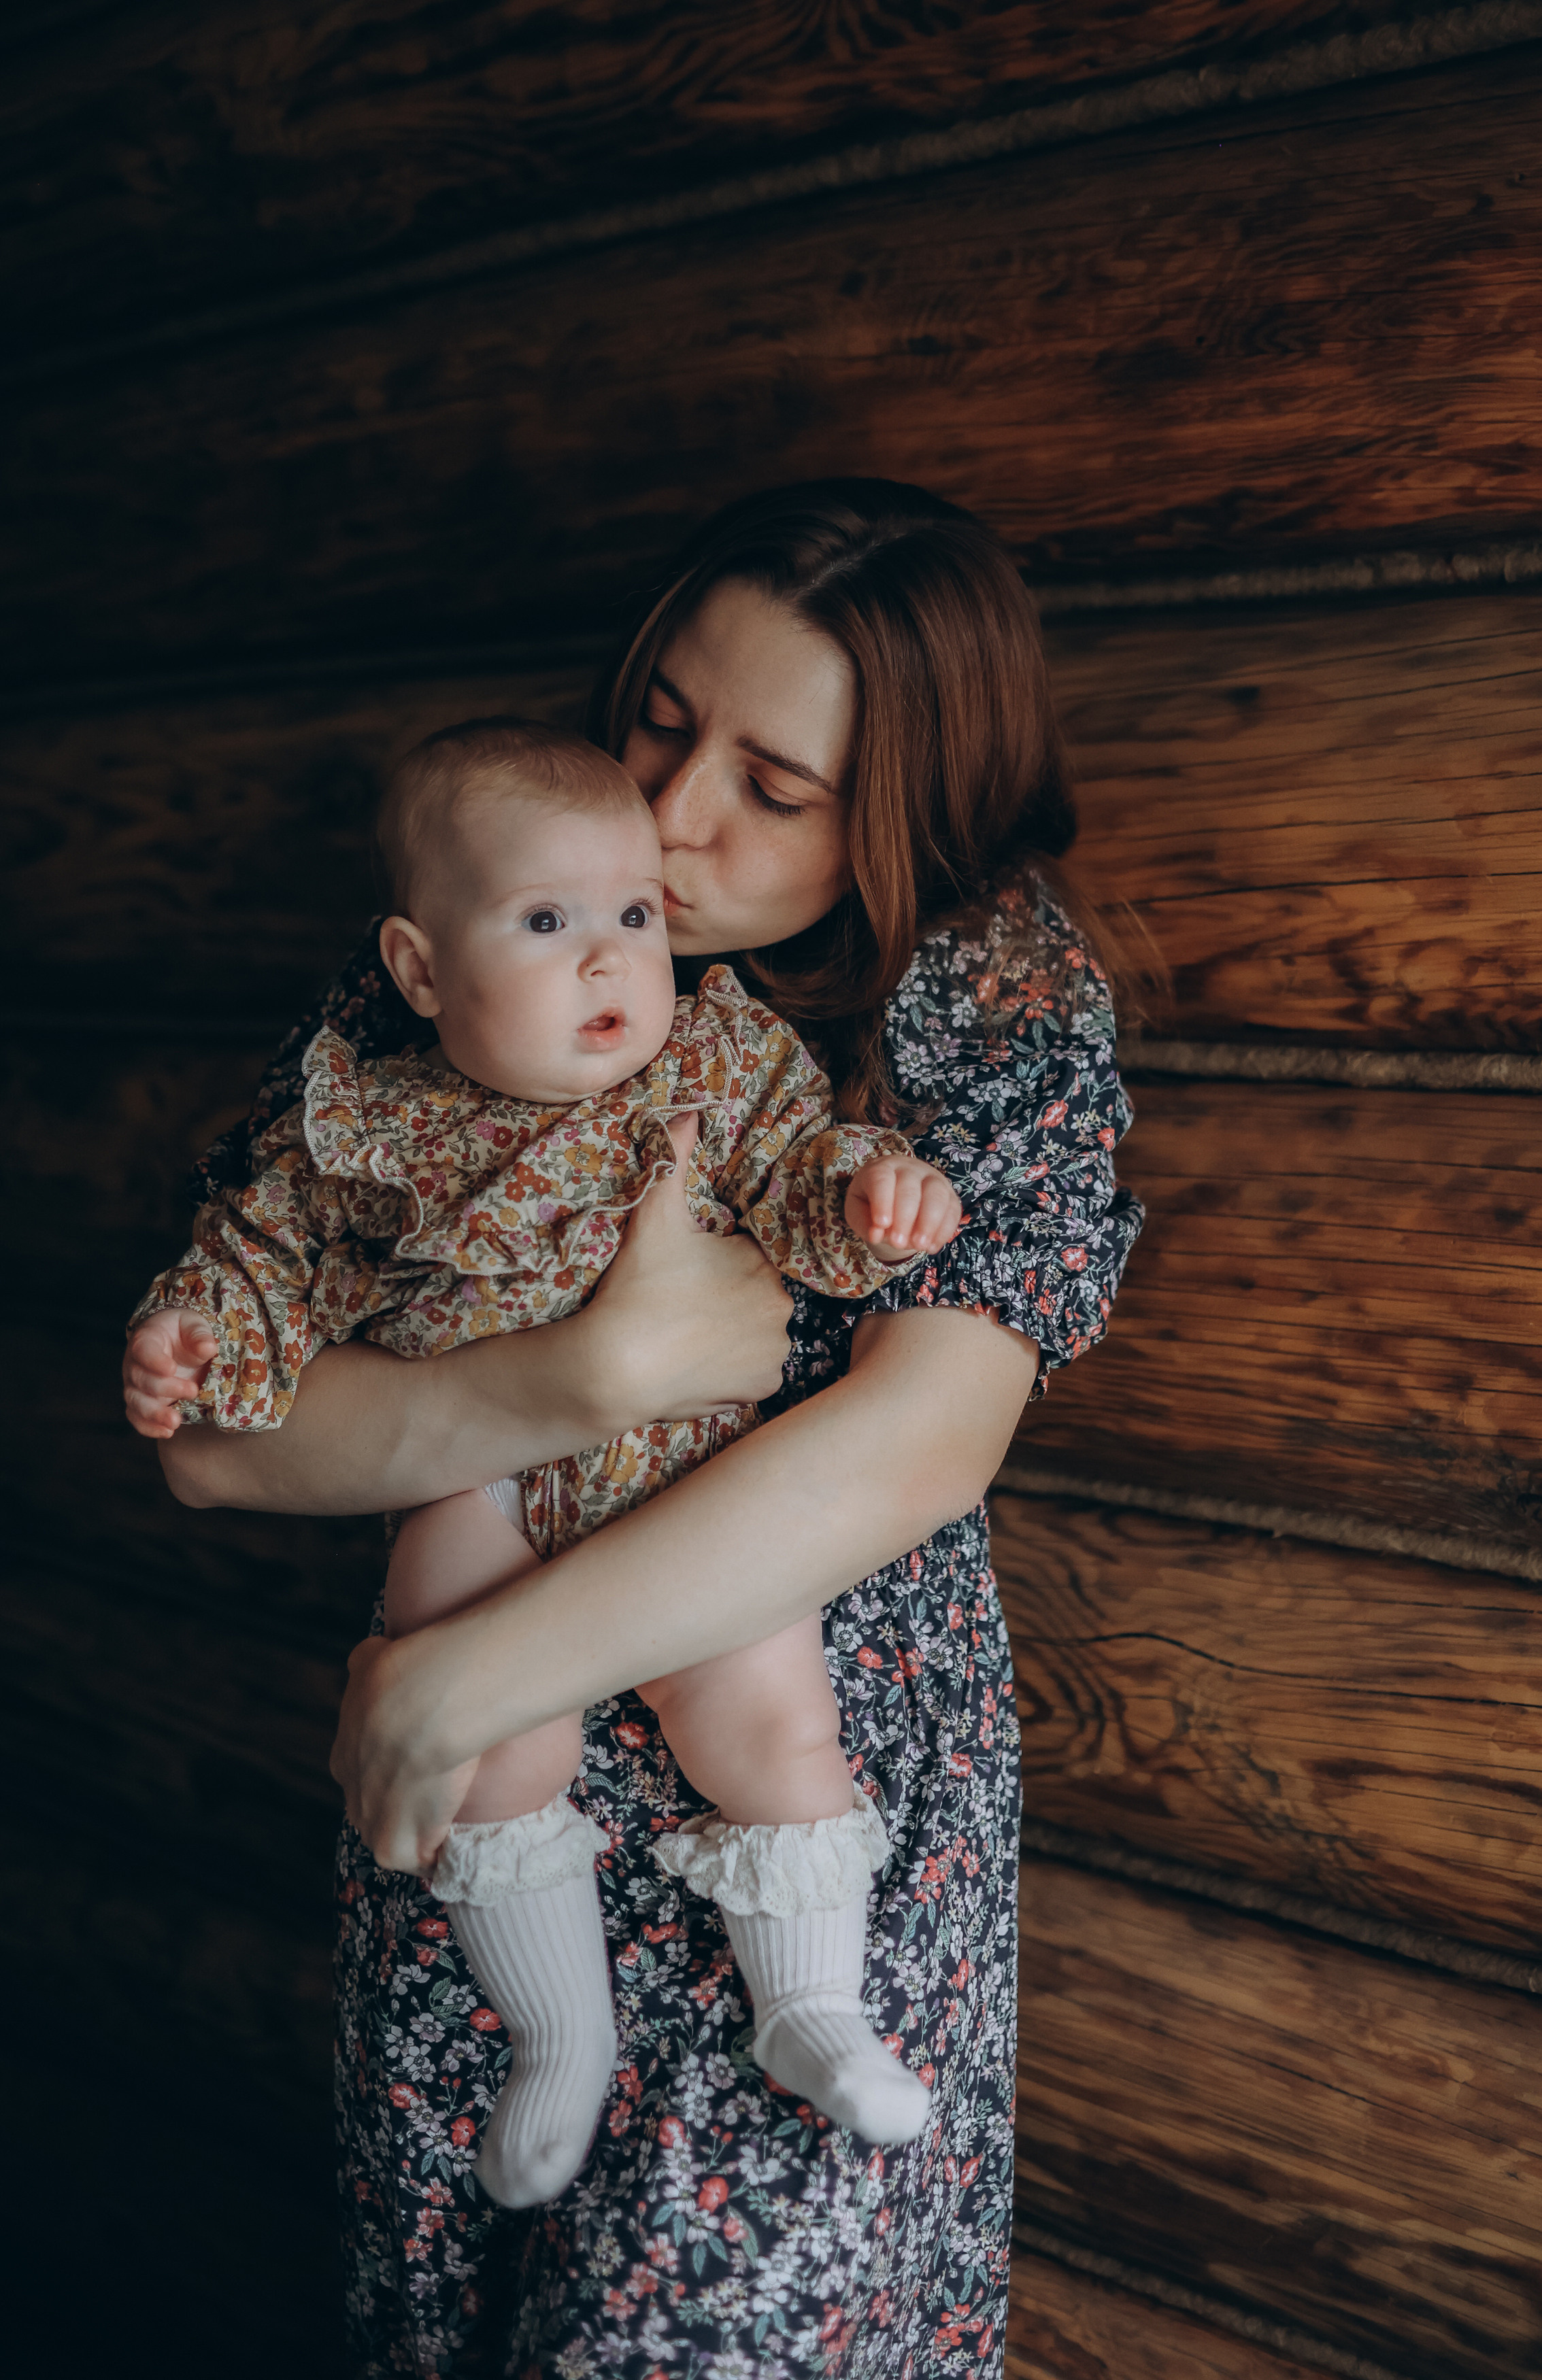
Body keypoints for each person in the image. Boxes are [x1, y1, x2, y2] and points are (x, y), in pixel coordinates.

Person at [135, 479, 1145, 2378]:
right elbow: (219, 1439)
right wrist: (586, 1375)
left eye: (772, 787)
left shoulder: (987, 988)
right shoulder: (461, 949)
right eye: (663, 718)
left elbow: (924, 1434)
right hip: (488, 1819)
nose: (671, 818)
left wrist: (458, 1676)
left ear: (903, 805)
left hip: (808, 1790)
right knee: (465, 2314)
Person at [125, 717, 957, 2206]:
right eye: (549, 922)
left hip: (694, 1481)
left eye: (633, 918)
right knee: (489, 1746)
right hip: (479, 1482)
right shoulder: (366, 1115)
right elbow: (262, 1258)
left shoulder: (718, 1058)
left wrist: (874, 1190)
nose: (607, 962)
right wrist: (196, 1326)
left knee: (771, 1720)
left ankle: (812, 2007)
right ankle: (558, 2039)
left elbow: (802, 1179)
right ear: (422, 969)